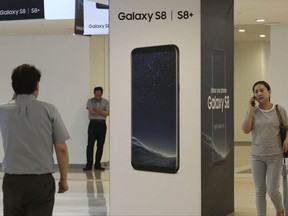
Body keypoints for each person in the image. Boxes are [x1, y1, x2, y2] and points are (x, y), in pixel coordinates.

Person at [0, 64, 70, 216]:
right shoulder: (49, 109)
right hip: (41, 182)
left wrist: (16, 95)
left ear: (14, 86)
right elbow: (61, 148)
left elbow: (8, 107)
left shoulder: (2, 110)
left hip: (12, 181)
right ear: (36, 85)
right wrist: (63, 179)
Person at [242, 80, 288, 216]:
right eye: (256, 91)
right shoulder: (252, 111)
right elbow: (245, 130)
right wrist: (251, 110)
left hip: (275, 156)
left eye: (262, 90)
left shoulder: (279, 109)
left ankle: (280, 210)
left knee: (272, 190)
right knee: (259, 192)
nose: (259, 93)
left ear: (269, 92)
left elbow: (287, 127)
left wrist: (287, 139)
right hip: (256, 156)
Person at [83, 87, 109, 171]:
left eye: (99, 94)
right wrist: (102, 111)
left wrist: (97, 110)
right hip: (93, 124)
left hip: (102, 125)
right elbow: (91, 112)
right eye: (96, 94)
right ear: (94, 93)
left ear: (102, 93)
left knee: (100, 145)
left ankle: (98, 165)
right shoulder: (90, 101)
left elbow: (108, 113)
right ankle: (89, 165)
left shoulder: (106, 102)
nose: (97, 96)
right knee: (90, 145)